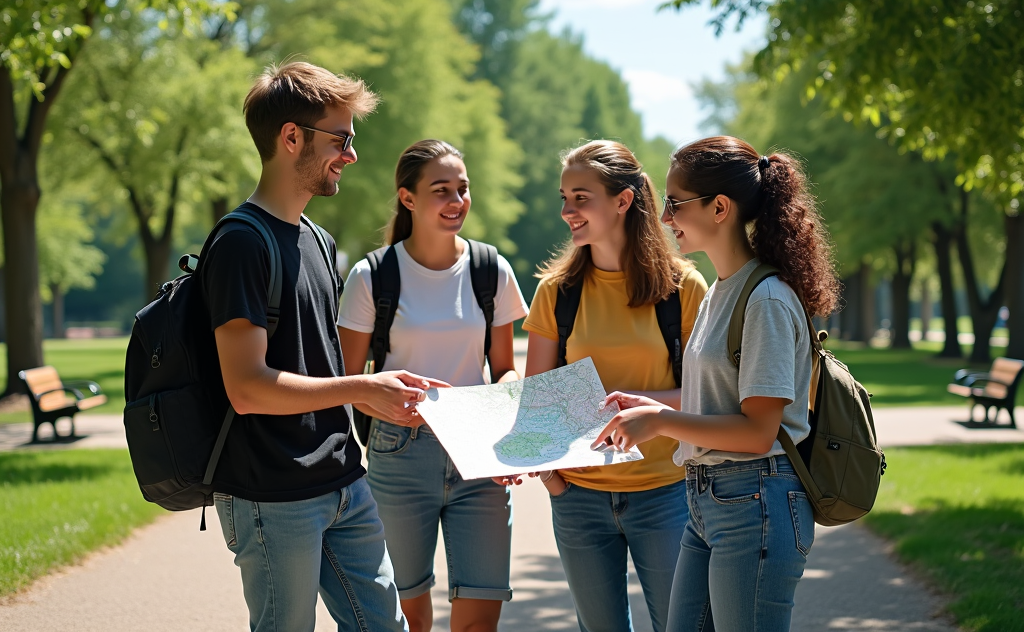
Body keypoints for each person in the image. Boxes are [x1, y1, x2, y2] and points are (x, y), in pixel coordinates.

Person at [205, 62, 444, 632]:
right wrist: (361, 386)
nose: (352, 156)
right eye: (341, 140)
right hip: (271, 492)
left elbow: (316, 368)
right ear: (292, 138)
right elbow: (246, 387)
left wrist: (376, 397)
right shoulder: (241, 243)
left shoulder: (317, 240)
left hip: (343, 481)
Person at [594, 136, 841, 632]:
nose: (664, 218)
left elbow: (757, 431)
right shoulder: (718, 293)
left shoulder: (766, 298)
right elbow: (722, 397)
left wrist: (660, 422)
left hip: (756, 502)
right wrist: (650, 406)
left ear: (719, 207)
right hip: (709, 501)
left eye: (674, 203)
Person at [337, 139, 530, 632]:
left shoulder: (491, 269)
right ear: (408, 198)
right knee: (408, 618)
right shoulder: (371, 276)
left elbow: (504, 368)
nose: (456, 201)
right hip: (400, 452)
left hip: (479, 457)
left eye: (462, 190)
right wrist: (382, 399)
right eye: (441, 190)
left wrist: (505, 412)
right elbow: (346, 382)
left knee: (478, 619)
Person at [521, 140, 708, 632]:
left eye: (581, 198)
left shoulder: (683, 289)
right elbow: (536, 402)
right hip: (578, 499)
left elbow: (711, 396)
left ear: (622, 200)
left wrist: (646, 409)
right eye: (564, 198)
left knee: (683, 624)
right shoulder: (555, 292)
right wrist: (555, 483)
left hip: (666, 494)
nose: (567, 211)